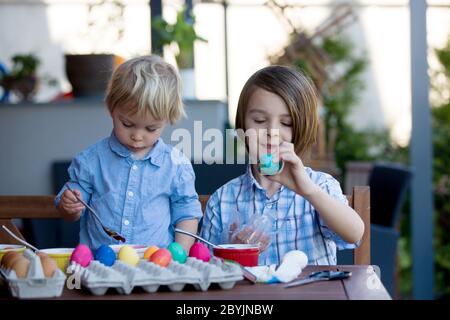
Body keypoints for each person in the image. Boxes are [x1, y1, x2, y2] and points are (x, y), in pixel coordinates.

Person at [200, 65, 364, 265]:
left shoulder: (320, 186)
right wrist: (232, 253)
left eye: (286, 123)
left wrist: (309, 191)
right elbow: (204, 268)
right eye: (260, 120)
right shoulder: (222, 200)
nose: (272, 131)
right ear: (243, 126)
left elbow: (354, 234)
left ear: (301, 128)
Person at [55, 55, 202, 252]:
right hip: (100, 268)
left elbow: (186, 214)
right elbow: (71, 213)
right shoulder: (91, 161)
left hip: (156, 268)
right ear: (111, 108)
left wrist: (179, 255)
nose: (137, 136)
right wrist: (69, 206)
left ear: (168, 119)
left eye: (151, 129)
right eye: (127, 124)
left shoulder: (175, 165)